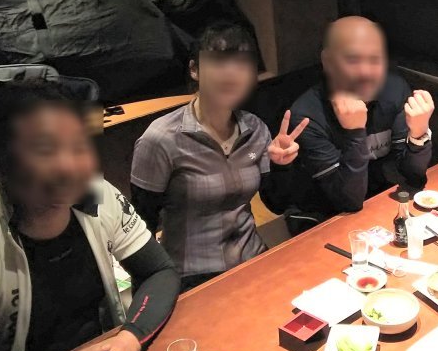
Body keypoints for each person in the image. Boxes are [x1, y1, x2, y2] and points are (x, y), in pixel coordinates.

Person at [0, 80, 180, 351]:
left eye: (77, 145)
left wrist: (129, 339)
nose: (68, 165)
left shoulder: (97, 194)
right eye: (45, 150)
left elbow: (159, 271)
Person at [130, 22, 307, 290]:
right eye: (219, 61)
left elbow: (276, 204)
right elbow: (141, 225)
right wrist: (151, 293)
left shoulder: (255, 128)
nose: (231, 73)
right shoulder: (161, 138)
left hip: (253, 259)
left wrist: (281, 166)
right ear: (194, 69)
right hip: (190, 277)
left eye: (242, 63)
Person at [288, 16, 434, 217]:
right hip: (323, 216)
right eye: (352, 60)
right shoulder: (306, 115)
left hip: (378, 202)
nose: (365, 72)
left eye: (375, 59)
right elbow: (348, 201)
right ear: (328, 62)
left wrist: (418, 135)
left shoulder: (395, 90)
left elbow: (413, 176)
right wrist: (355, 133)